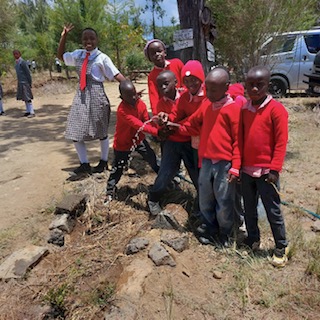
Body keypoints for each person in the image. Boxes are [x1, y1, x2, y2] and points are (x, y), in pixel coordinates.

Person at [176, 67, 241, 247]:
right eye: (208, 88)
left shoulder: (233, 109)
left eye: (214, 90)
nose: (209, 93)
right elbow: (192, 122)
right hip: (206, 160)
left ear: (226, 87)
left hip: (224, 163)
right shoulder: (207, 104)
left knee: (224, 199)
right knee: (205, 196)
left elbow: (238, 141)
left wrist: (236, 166)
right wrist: (173, 125)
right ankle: (209, 226)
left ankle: (225, 232)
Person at [57, 23, 126, 175]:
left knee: (101, 131)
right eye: (85, 38)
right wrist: (64, 36)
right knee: (75, 130)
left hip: (97, 95)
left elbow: (116, 74)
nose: (89, 41)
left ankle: (103, 162)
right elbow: (60, 56)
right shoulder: (78, 55)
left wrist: (130, 88)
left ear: (97, 40)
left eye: (92, 38)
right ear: (82, 41)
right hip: (81, 95)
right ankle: (84, 164)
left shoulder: (102, 58)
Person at [241, 65, 289, 267]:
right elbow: (241, 138)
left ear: (267, 85)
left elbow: (281, 141)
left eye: (259, 85)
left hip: (266, 172)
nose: (254, 89)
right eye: (250, 85)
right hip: (247, 170)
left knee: (272, 210)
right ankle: (253, 239)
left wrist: (274, 169)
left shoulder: (276, 110)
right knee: (249, 208)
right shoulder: (244, 108)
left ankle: (281, 245)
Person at [148, 60, 205, 216]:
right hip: (173, 143)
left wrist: (175, 124)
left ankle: (201, 206)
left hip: (190, 142)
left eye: (166, 84)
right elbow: (172, 118)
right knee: (166, 172)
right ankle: (153, 198)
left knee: (197, 175)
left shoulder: (188, 96)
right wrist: (164, 124)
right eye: (160, 86)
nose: (163, 88)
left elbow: (194, 119)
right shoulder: (163, 104)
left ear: (176, 82)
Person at [105, 80, 160, 204]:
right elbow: (138, 125)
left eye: (134, 93)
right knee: (118, 168)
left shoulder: (141, 104)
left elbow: (146, 120)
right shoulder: (122, 110)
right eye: (129, 95)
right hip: (123, 143)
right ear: (122, 97)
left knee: (152, 158)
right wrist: (157, 133)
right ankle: (109, 191)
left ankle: (165, 181)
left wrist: (157, 127)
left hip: (138, 139)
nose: (134, 97)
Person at [144, 39, 184, 115]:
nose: (157, 54)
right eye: (153, 53)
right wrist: (157, 115)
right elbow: (154, 98)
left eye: (159, 51)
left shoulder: (177, 63)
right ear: (149, 58)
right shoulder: (152, 76)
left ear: (165, 52)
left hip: (183, 103)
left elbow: (185, 83)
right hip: (167, 109)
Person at [13, 50, 35, 118]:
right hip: (20, 83)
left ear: (19, 54)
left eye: (16, 54)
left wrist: (29, 82)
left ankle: (32, 112)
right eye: (14, 54)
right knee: (24, 98)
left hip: (25, 82)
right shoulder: (16, 63)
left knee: (27, 97)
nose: (15, 55)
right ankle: (28, 111)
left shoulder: (23, 62)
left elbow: (28, 73)